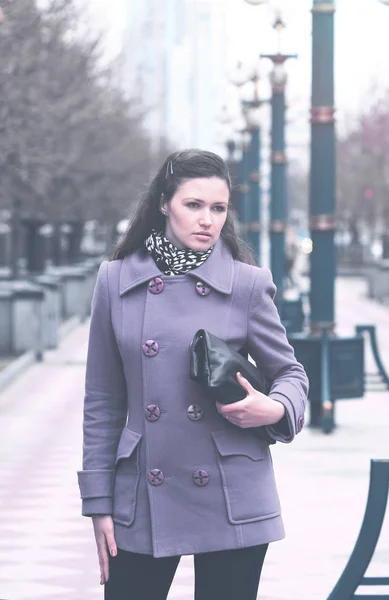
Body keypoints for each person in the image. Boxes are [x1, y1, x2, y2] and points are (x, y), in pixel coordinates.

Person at [77, 149, 309, 600]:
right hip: (142, 491)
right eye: (194, 205)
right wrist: (98, 503)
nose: (207, 220)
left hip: (230, 490)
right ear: (165, 203)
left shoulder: (246, 283)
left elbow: (291, 373)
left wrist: (274, 407)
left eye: (218, 208)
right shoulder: (115, 281)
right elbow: (102, 402)